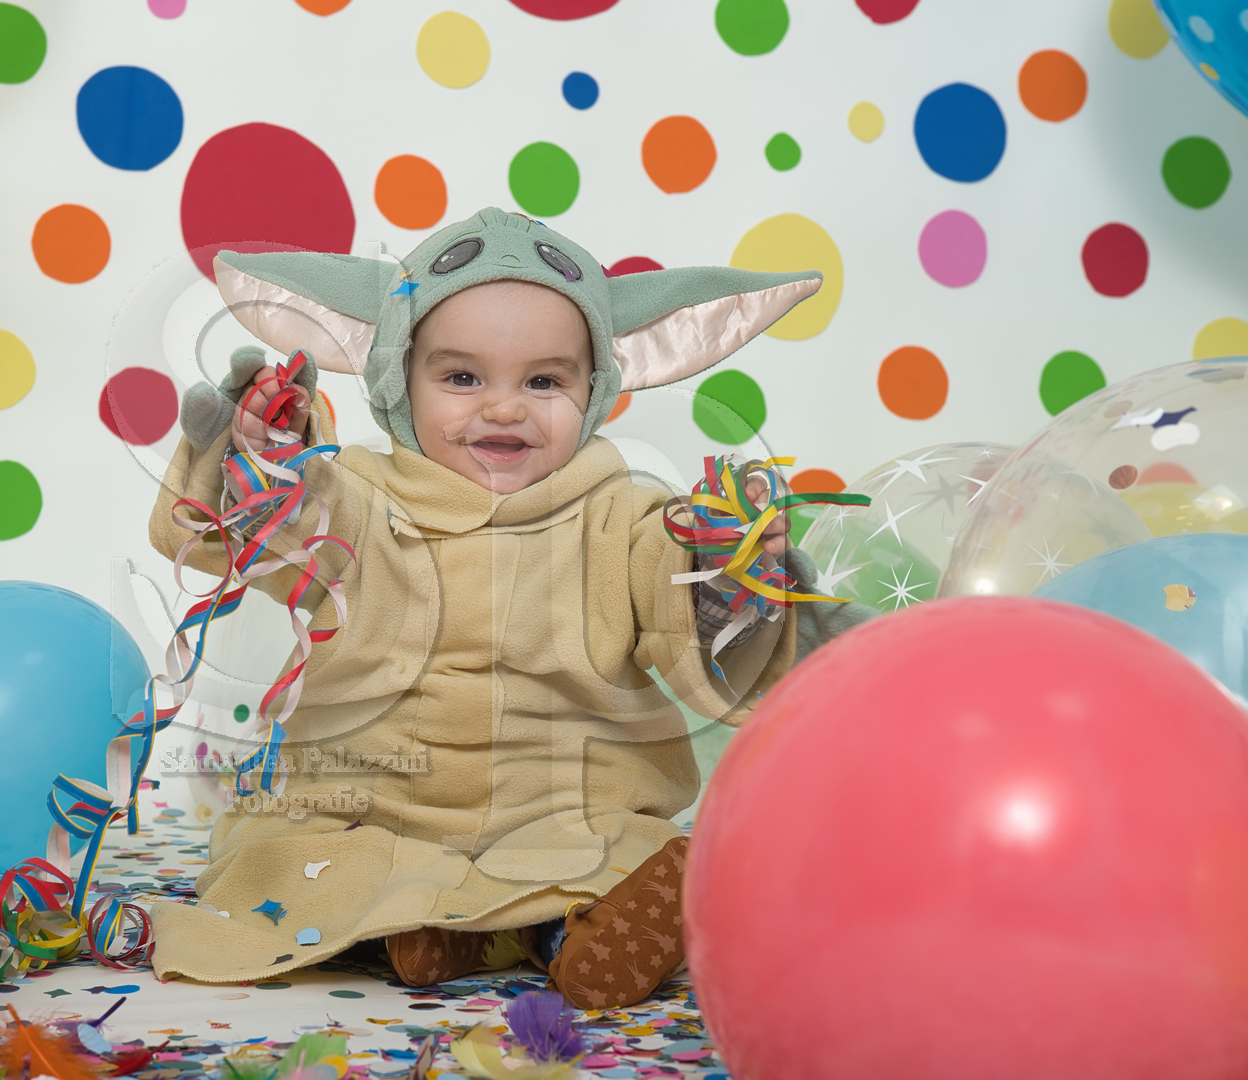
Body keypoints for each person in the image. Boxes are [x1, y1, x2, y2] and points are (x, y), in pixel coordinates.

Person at [147, 208, 872, 1008]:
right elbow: (262, 531)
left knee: (614, 852)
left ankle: (576, 931)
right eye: (461, 378)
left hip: (564, 809)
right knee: (303, 860)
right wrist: (264, 455)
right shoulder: (355, 499)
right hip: (383, 808)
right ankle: (451, 929)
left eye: (543, 381)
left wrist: (725, 565)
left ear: (593, 392)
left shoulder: (621, 513)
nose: (502, 408)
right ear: (395, 378)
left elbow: (674, 598)